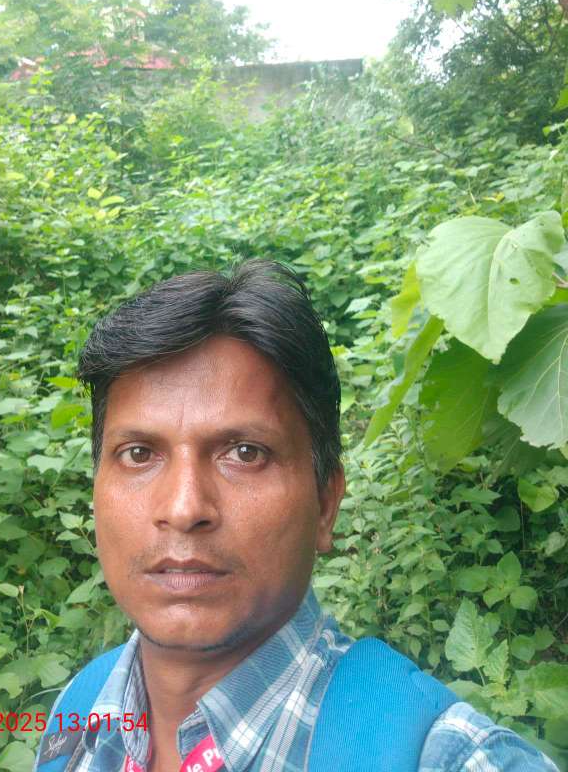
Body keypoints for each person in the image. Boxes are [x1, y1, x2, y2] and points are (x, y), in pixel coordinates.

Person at [33, 259, 558, 772]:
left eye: (245, 453)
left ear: (326, 503)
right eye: (138, 454)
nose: (184, 508)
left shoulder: (444, 756)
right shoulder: (79, 714)